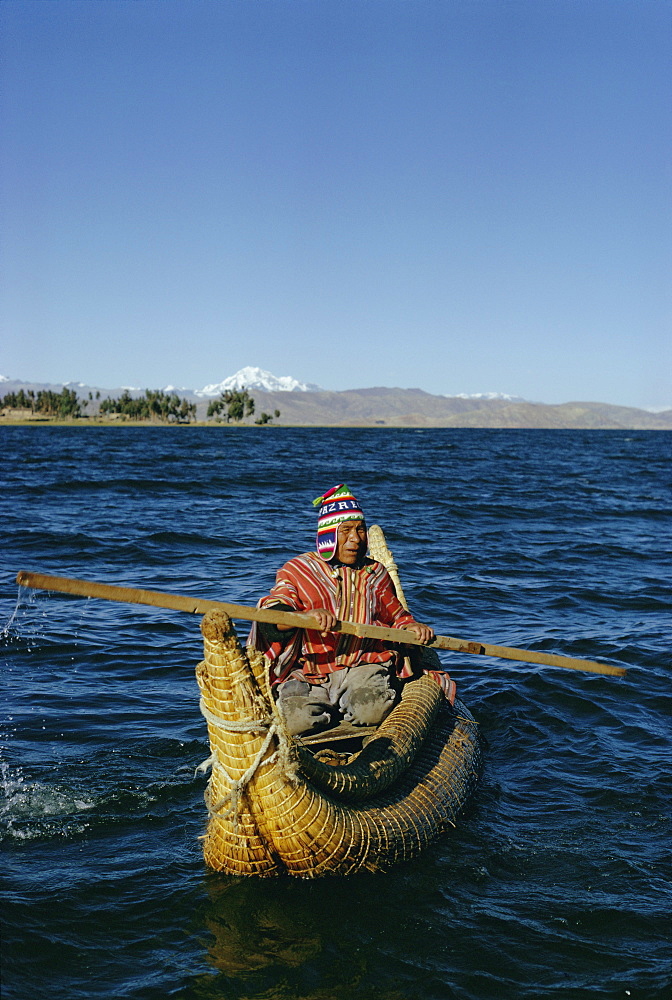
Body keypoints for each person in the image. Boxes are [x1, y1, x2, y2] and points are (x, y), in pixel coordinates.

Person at [250, 484, 455, 737]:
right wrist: (303, 618)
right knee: (296, 723)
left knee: (369, 712)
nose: (356, 539)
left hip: (363, 664)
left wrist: (412, 627)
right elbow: (272, 617)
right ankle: (324, 711)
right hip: (310, 669)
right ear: (328, 534)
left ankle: (352, 707)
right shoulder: (297, 569)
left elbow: (397, 617)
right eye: (345, 531)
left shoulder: (375, 572)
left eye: (360, 530)